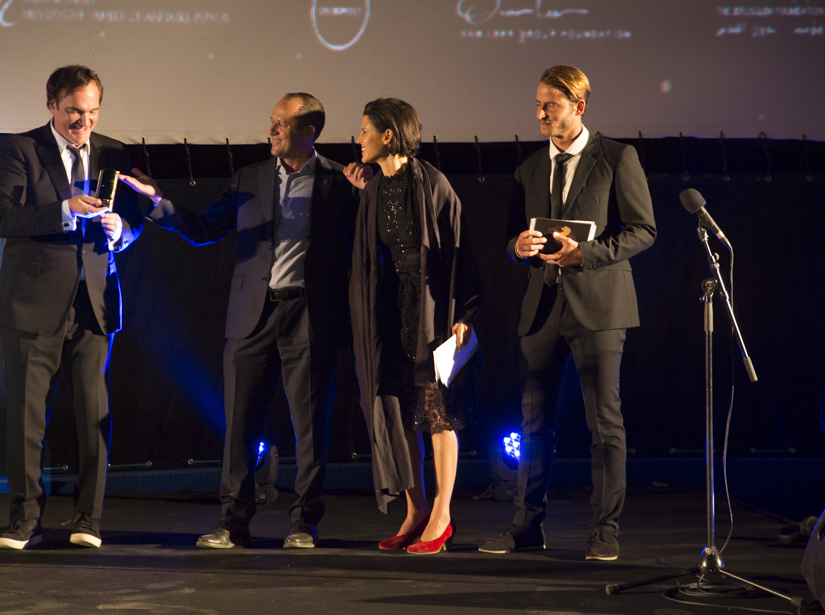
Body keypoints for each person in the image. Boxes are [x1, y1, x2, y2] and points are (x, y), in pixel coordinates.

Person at [119, 93, 370, 549]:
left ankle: (304, 522)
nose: (272, 130)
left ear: (309, 131)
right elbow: (205, 228)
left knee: (311, 425)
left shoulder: (340, 181)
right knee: (239, 424)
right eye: (272, 122)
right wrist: (158, 203)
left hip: (311, 316)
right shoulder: (250, 177)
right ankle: (232, 521)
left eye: (282, 124)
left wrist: (368, 197)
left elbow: (370, 245)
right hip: (252, 315)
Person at [479, 65, 656, 561]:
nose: (539, 113)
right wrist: (517, 247)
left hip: (599, 307)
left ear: (578, 107)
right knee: (533, 425)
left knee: (605, 423)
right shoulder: (529, 168)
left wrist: (588, 253)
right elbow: (513, 240)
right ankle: (526, 525)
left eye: (549, 105)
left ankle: (605, 530)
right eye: (537, 104)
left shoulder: (618, 157)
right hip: (542, 309)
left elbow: (644, 229)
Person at [0, 65, 143, 550]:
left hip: (94, 302)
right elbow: (3, 217)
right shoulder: (20, 149)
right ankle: (24, 520)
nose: (85, 122)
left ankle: (88, 519)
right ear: (52, 104)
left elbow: (137, 220)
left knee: (94, 415)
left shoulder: (116, 154)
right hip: (33, 303)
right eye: (75, 111)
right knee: (28, 418)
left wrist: (124, 233)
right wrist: (64, 209)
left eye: (93, 111)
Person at [346, 98, 482, 555]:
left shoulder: (432, 183)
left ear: (388, 135)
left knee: (436, 411)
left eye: (365, 130)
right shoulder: (374, 188)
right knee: (398, 410)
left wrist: (464, 313)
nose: (358, 138)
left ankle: (442, 514)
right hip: (389, 309)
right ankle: (416, 508)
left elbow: (461, 251)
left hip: (431, 309)